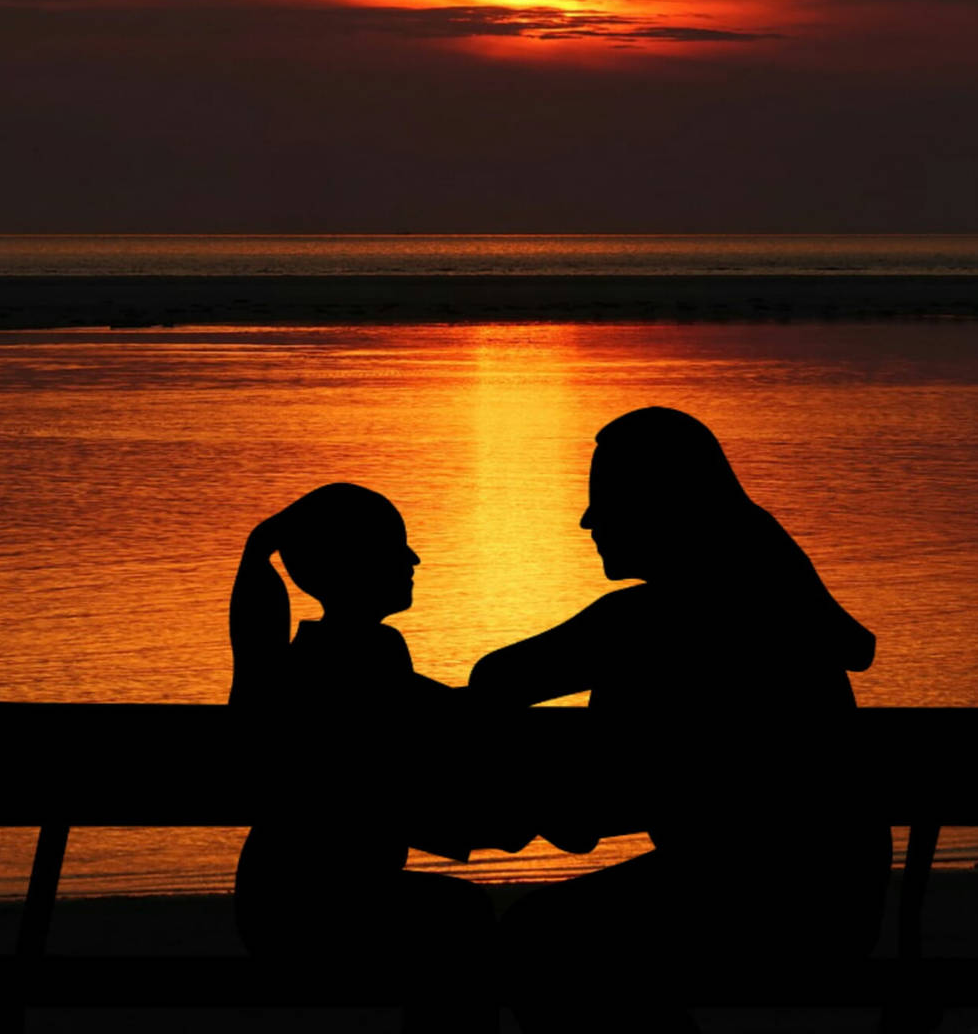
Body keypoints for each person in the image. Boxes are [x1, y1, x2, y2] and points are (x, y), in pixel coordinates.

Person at [469, 407, 890, 1030]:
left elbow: (495, 681)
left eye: (602, 497)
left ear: (656, 504)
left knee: (536, 938)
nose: (587, 518)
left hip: (740, 906)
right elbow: (856, 647)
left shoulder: (636, 625)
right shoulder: (784, 610)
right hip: (842, 909)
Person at [228, 484, 499, 976]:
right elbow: (435, 726)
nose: (414, 557)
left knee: (459, 914)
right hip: (317, 911)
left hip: (275, 900)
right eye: (397, 545)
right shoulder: (372, 655)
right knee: (463, 917)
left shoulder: (298, 661)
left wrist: (263, 540)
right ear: (356, 562)